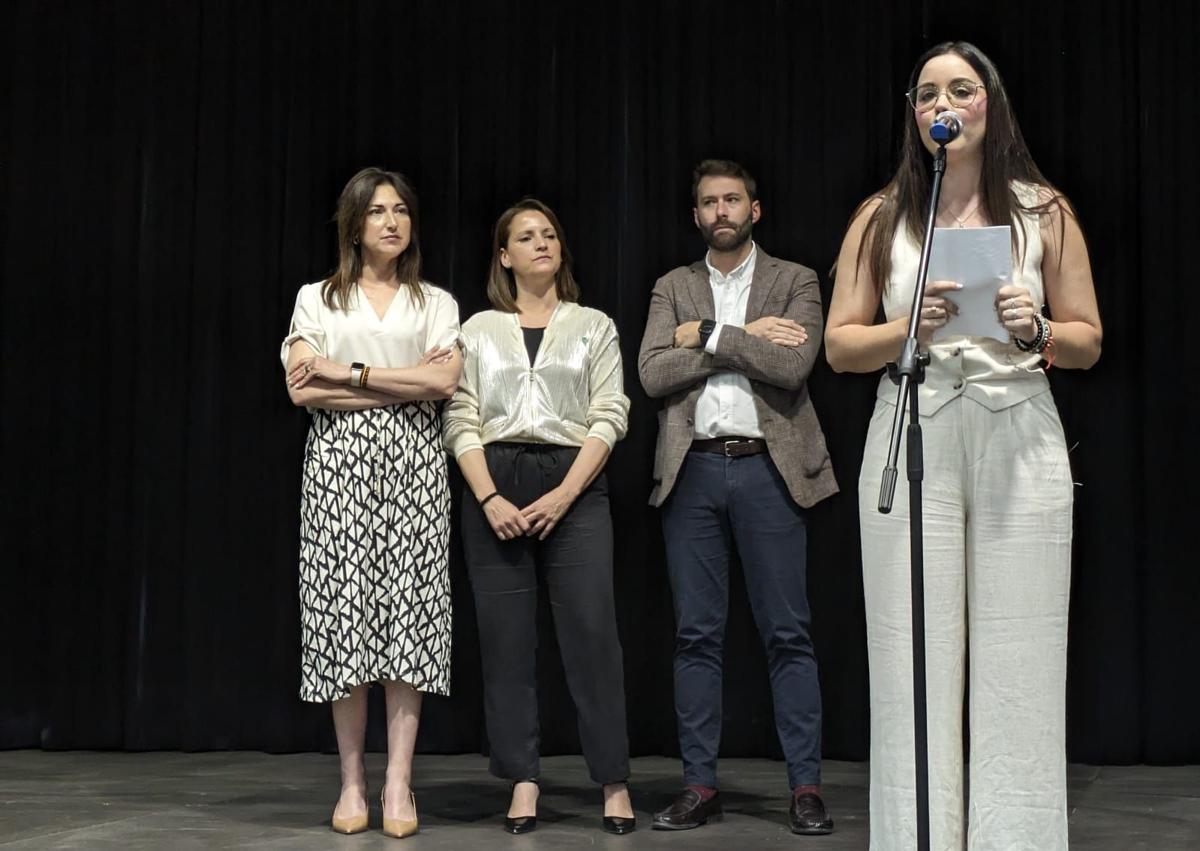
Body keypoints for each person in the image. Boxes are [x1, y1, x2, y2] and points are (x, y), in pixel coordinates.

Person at [825, 42, 1102, 851]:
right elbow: (841, 345)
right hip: (916, 421)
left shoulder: (1043, 210)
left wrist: (1039, 328)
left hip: (1018, 425)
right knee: (913, 656)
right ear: (916, 117)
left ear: (990, 105)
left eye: (962, 89)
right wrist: (907, 326)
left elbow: (1086, 338)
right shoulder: (881, 216)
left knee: (1021, 647)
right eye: (926, 94)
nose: (943, 104)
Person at [638, 159, 839, 835]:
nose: (721, 210)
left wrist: (709, 334)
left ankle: (805, 787)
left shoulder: (796, 280)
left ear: (755, 209)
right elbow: (652, 371)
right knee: (697, 635)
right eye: (708, 202)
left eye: (732, 199)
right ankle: (699, 785)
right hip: (692, 469)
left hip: (768, 470)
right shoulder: (673, 285)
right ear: (696, 216)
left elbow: (793, 364)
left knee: (789, 633)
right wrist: (747, 340)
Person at [442, 198, 637, 836]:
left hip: (573, 480)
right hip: (494, 480)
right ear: (505, 255)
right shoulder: (476, 329)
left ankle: (613, 779)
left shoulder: (592, 324)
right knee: (505, 640)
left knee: (591, 634)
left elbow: (610, 413)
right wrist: (489, 496)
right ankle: (522, 778)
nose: (541, 244)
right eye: (526, 237)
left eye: (549, 234)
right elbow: (460, 416)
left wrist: (565, 494)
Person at [281, 167, 462, 839]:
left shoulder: (434, 302)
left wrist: (349, 371)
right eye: (377, 211)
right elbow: (303, 391)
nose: (391, 221)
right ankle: (354, 779)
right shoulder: (316, 298)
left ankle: (399, 780)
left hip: (415, 467)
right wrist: (400, 384)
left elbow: (443, 382)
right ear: (353, 222)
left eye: (401, 211)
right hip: (337, 469)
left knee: (408, 618)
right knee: (344, 618)